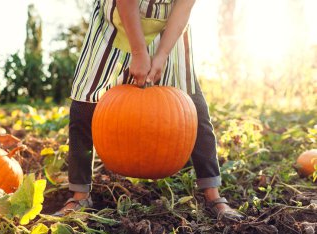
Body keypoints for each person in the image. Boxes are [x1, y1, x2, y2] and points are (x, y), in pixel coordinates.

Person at [53, 0, 244, 221]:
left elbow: (184, 7)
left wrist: (161, 55)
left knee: (194, 108)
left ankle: (213, 195)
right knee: (84, 107)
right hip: (117, 23)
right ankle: (79, 195)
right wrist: (138, 51)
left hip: (168, 31)